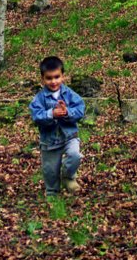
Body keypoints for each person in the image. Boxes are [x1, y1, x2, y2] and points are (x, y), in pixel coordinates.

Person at [29, 54, 86, 198]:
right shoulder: (39, 98)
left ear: (62, 76)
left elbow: (80, 110)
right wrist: (51, 114)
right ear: (42, 79)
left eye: (56, 77)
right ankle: (52, 194)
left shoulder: (69, 94)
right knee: (50, 171)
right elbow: (36, 116)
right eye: (49, 78)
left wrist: (67, 112)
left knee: (75, 155)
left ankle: (68, 176)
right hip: (49, 141)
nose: (53, 81)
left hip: (69, 136)